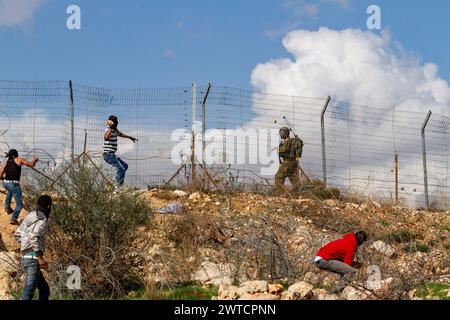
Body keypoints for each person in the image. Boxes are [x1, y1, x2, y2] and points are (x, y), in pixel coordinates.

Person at [14, 195, 52, 300]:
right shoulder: (43, 219)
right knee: (28, 293)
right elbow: (34, 236)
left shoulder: (30, 215)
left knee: (44, 290)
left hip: (26, 258)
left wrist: (25, 244)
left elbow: (17, 234)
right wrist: (40, 257)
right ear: (49, 206)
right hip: (33, 259)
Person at [0, 149, 39, 225]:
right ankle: (14, 218)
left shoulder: (6, 163)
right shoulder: (19, 160)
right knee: (19, 205)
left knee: (10, 191)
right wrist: (35, 160)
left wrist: (6, 180)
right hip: (14, 184)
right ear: (15, 155)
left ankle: (7, 207)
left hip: (5, 184)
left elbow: (0, 176)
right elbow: (31, 164)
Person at [103, 115, 138, 192]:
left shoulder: (115, 130)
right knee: (121, 169)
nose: (117, 123)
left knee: (125, 166)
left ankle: (115, 181)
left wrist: (130, 137)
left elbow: (121, 134)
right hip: (108, 154)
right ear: (112, 122)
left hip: (112, 154)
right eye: (116, 121)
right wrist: (110, 127)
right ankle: (117, 188)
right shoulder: (108, 129)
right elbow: (106, 137)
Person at [275, 127, 301, 192]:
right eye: (280, 133)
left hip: (287, 162)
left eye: (282, 132)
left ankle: (280, 192)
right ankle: (299, 192)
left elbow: (284, 150)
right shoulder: (284, 142)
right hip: (291, 163)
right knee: (294, 180)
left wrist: (278, 149)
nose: (280, 134)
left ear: (286, 133)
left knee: (279, 177)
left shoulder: (289, 141)